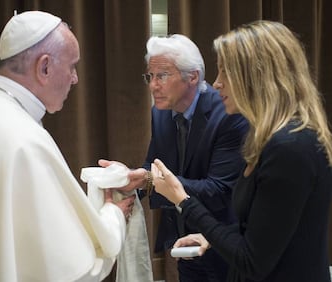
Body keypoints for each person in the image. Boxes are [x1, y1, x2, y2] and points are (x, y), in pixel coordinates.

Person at [0, 11, 135, 282]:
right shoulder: (22, 139)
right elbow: (77, 272)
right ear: (44, 67)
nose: (75, 79)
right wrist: (113, 217)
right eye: (72, 66)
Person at [151, 20, 332, 282]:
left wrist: (183, 201)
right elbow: (267, 230)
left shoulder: (289, 148)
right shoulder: (277, 140)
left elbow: (252, 260)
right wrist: (211, 236)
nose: (216, 83)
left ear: (257, 76)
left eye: (226, 72)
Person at [99, 34, 248, 281]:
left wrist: (150, 179)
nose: (153, 85)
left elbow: (221, 188)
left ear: (193, 76)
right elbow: (154, 167)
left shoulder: (229, 113)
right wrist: (130, 178)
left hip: (225, 244)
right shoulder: (160, 114)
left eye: (162, 76)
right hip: (184, 242)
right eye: (150, 76)